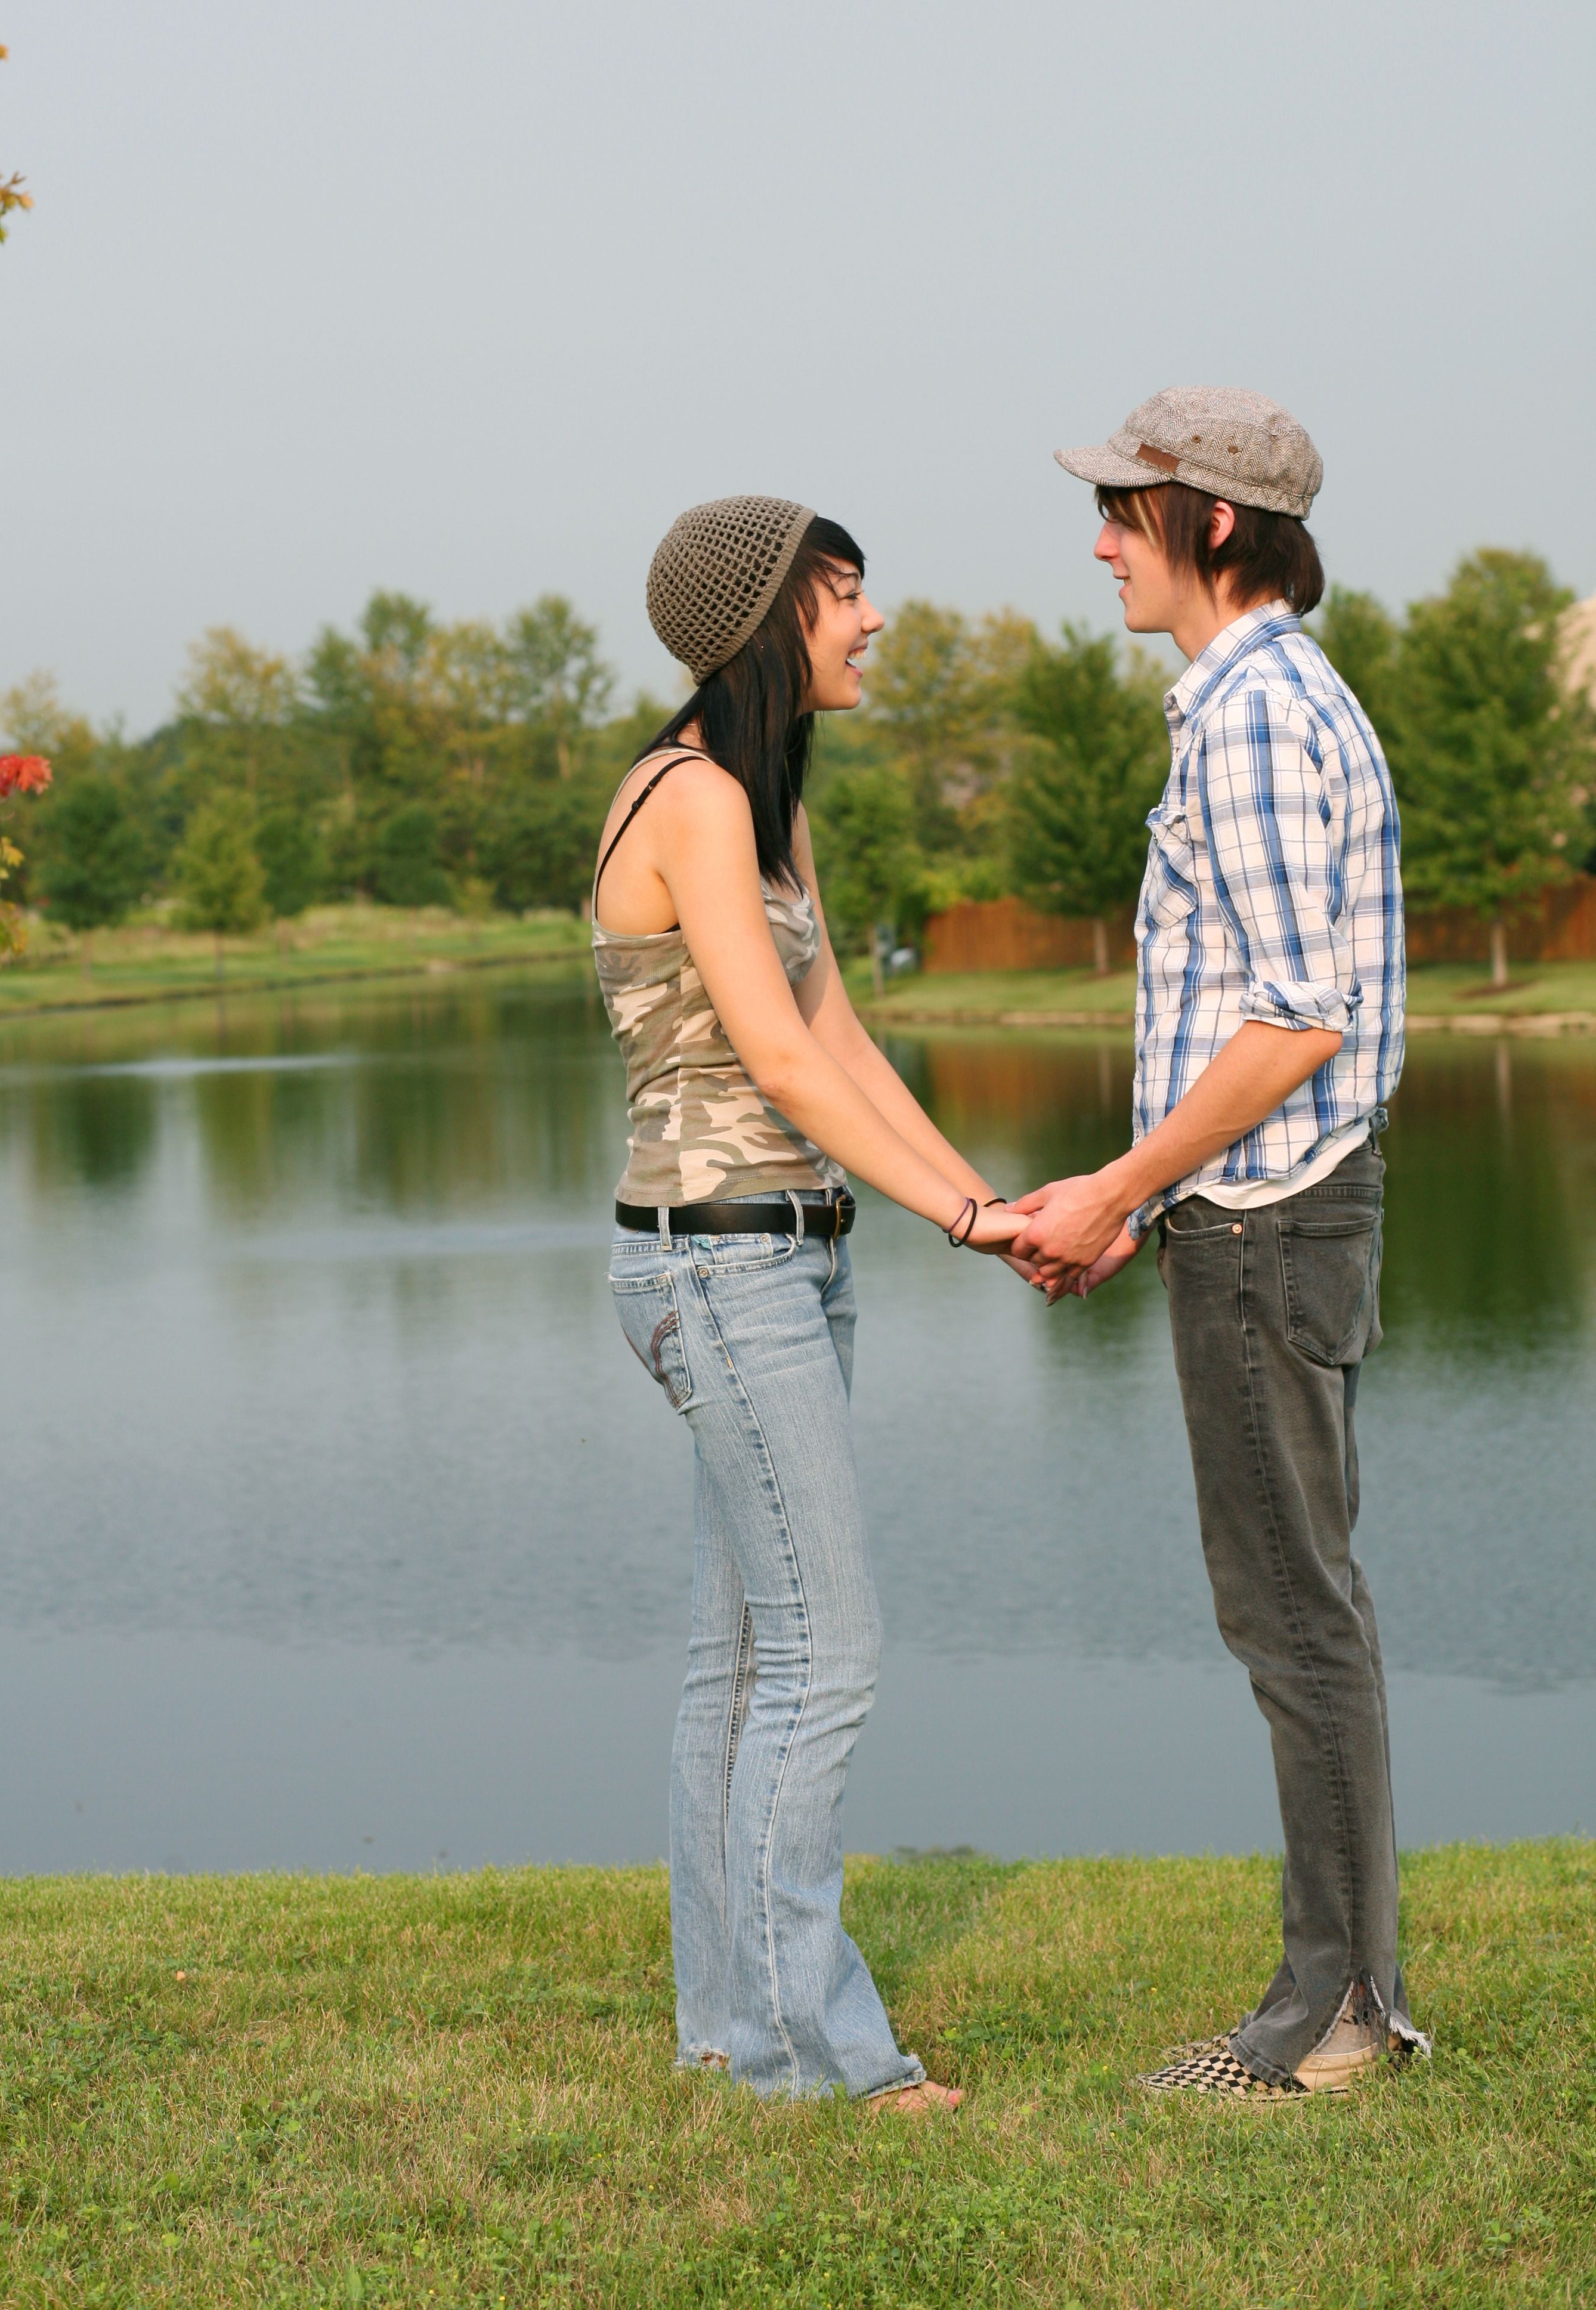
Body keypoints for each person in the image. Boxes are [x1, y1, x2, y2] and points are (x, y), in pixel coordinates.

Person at [1013, 388, 1431, 2101]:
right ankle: (1346, 1998)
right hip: (1261, 1211)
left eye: (1128, 506)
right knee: (1304, 1605)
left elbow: (1291, 1017)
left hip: (1264, 1226)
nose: (1101, 538)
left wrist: (1118, 1188)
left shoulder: (1253, 717)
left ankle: (1331, 2014)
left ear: (1220, 527)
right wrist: (1146, 1194)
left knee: (1292, 1619)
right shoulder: (1267, 703)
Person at [595, 494, 1026, 2108]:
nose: (874, 619)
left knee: (750, 1661)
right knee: (828, 1653)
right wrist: (969, 1217)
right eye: (847, 593)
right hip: (718, 1263)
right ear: (776, 617)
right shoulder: (694, 799)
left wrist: (991, 1205)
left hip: (780, 1254)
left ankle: (729, 2023)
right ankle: (813, 2054)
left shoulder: (760, 808)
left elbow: (839, 1039)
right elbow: (770, 1060)